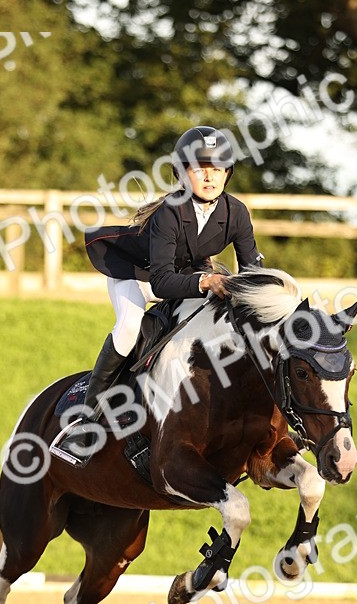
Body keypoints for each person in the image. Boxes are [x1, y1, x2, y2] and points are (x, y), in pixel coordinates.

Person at [63, 125, 263, 457]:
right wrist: (206, 282)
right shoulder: (170, 212)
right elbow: (161, 282)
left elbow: (252, 271)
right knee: (128, 329)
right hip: (138, 275)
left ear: (228, 174)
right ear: (183, 174)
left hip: (184, 273)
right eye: (199, 169)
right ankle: (87, 422)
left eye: (217, 170)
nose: (209, 177)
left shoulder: (236, 213)